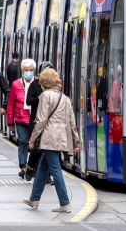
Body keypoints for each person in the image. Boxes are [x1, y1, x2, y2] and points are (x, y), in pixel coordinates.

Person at [23, 68, 80, 212]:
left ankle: (65, 203)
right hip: (61, 137)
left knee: (55, 170)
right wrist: (76, 142)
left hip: (49, 137)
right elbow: (72, 122)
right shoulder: (65, 98)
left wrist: (33, 138)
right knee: (43, 168)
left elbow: (41, 120)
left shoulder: (45, 96)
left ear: (44, 81)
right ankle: (34, 199)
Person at [7, 59, 37, 177]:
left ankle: (32, 166)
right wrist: (10, 122)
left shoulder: (38, 83)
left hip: (34, 120)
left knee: (35, 144)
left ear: (34, 71)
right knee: (23, 142)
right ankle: (23, 166)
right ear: (22, 71)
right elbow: (11, 104)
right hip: (21, 119)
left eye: (30, 70)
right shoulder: (16, 84)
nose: (28, 72)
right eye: (26, 70)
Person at [23, 62, 49, 182]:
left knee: (48, 149)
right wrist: (39, 98)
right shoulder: (34, 84)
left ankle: (46, 176)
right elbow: (28, 101)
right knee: (36, 149)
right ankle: (30, 168)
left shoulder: (54, 86)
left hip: (49, 122)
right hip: (36, 120)